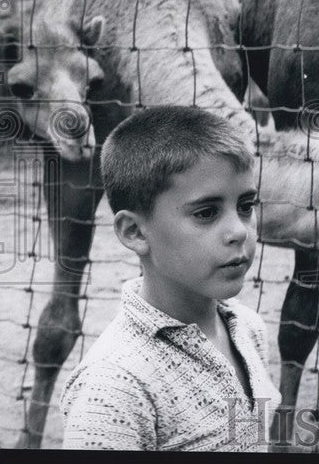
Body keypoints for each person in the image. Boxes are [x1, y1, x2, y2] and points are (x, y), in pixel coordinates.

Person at [60, 106, 279, 450]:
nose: (239, 231)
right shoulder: (113, 387)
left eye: (246, 206)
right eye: (206, 212)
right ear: (134, 232)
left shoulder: (249, 329)